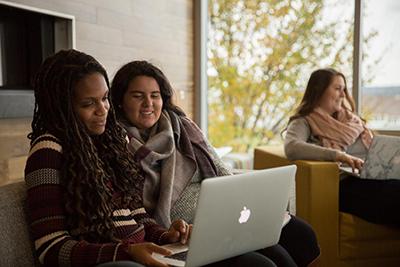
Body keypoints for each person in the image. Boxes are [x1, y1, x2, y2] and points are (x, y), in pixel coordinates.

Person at [24, 49, 278, 267]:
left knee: (257, 262)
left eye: (104, 99)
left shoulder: (110, 144)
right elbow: (50, 247)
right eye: (88, 103)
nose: (103, 110)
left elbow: (139, 216)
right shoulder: (48, 151)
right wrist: (124, 251)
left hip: (138, 253)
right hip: (113, 262)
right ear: (62, 105)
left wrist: (166, 235)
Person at [110, 60, 321, 267]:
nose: (148, 104)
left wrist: (243, 207)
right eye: (138, 96)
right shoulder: (115, 143)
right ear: (120, 100)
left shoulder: (181, 126)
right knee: (270, 259)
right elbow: (132, 209)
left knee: (302, 234)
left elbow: (220, 172)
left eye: (154, 96)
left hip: (222, 216)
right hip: (184, 230)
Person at [284, 67, 400, 226]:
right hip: (345, 185)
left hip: (375, 177)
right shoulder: (304, 121)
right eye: (338, 88)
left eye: (344, 89)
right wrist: (338, 155)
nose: (343, 95)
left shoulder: (352, 120)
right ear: (319, 90)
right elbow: (292, 147)